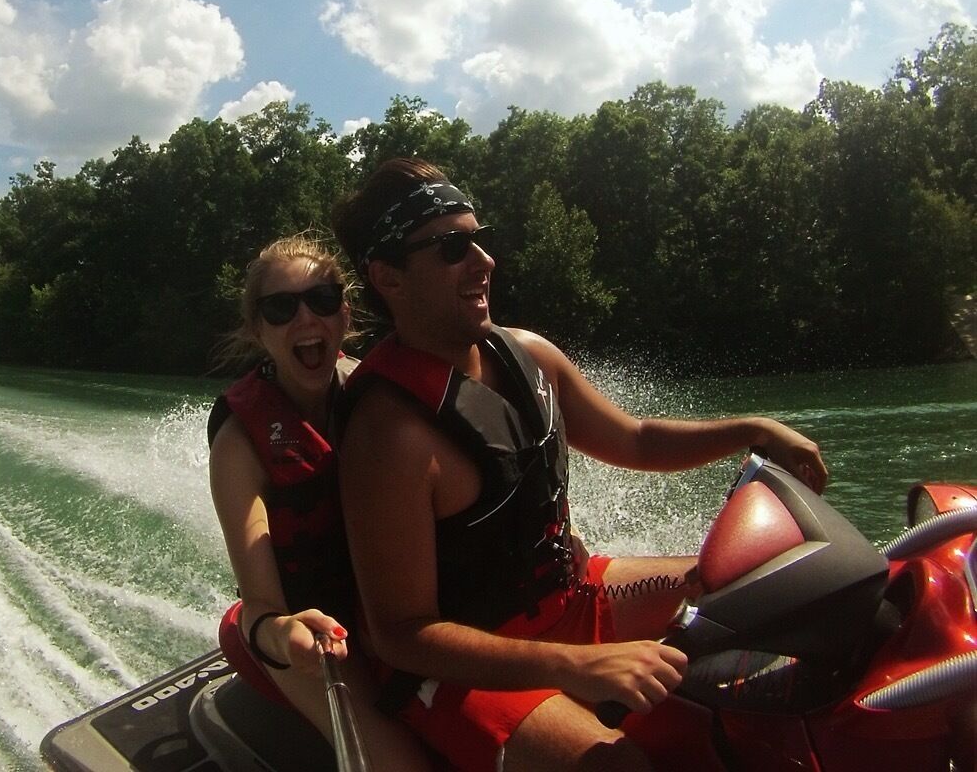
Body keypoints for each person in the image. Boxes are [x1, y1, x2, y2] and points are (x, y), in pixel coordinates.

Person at [330, 159, 829, 772]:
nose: (483, 261)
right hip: (461, 668)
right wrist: (578, 666)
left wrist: (751, 431)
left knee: (756, 590)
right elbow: (402, 633)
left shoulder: (530, 356)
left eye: (480, 239)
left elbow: (638, 440)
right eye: (452, 248)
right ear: (389, 277)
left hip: (569, 598)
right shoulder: (389, 435)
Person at [206, 233, 432, 769]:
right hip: (291, 630)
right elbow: (260, 604)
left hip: (382, 609)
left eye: (323, 300)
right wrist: (282, 634)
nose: (305, 318)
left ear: (344, 316)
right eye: (281, 308)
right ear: (259, 330)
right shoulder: (240, 442)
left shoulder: (378, 396)